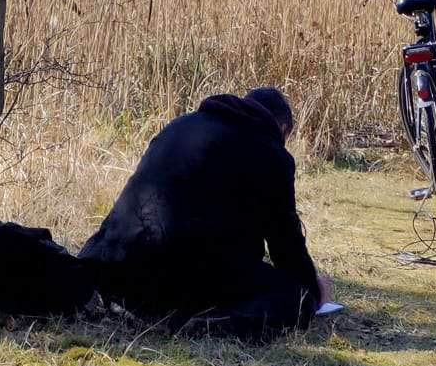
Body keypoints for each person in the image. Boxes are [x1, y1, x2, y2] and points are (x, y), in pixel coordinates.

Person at [79, 85, 332, 340]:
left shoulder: (181, 125)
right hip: (172, 276)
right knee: (295, 298)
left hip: (110, 262)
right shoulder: (270, 151)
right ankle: (216, 325)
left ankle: (126, 302)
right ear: (282, 128)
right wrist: (312, 289)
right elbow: (284, 243)